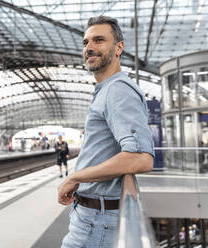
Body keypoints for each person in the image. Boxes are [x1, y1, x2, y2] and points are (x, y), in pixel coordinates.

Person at [58, 16, 154, 247]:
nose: (89, 48)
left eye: (99, 40)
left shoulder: (117, 90)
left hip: (96, 222)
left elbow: (141, 158)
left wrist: (75, 176)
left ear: (119, 47)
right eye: (85, 43)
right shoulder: (105, 90)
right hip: (93, 216)